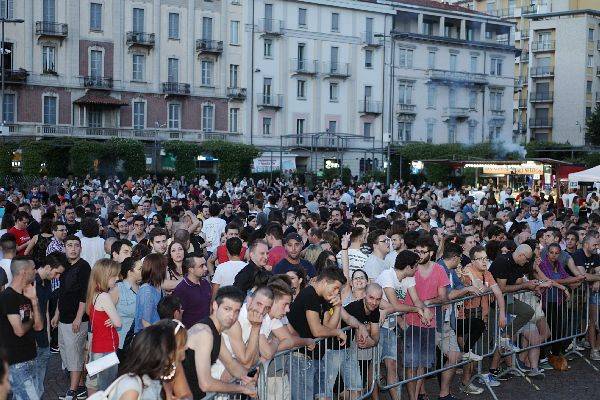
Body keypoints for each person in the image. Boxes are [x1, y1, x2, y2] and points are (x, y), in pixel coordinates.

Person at [183, 286, 258, 398]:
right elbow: (206, 384)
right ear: (215, 306)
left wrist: (250, 375)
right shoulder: (205, 333)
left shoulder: (216, 332)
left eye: (236, 311)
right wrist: (242, 388)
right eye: (227, 309)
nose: (232, 316)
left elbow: (230, 364)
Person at [286, 267, 349, 400]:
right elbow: (317, 330)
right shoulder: (310, 295)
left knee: (325, 397)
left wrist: (337, 308)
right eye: (336, 288)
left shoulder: (322, 298)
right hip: (300, 358)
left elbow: (327, 327)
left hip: (316, 357)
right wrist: (337, 332)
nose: (337, 292)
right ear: (325, 282)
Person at [51, 236, 91, 400]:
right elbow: (62, 292)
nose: (73, 248)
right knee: (68, 353)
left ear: (81, 248)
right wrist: (56, 314)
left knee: (75, 354)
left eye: (76, 245)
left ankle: (72, 391)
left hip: (78, 319)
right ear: (64, 248)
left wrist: (78, 317)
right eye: (69, 245)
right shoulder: (64, 266)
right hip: (63, 317)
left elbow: (84, 296)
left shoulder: (84, 267)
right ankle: (81, 388)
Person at [0, 256, 43, 400]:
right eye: (33, 269)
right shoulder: (8, 297)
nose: (35, 271)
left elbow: (39, 327)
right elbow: (19, 330)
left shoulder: (28, 294)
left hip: (31, 356)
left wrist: (34, 301)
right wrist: (31, 319)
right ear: (24, 272)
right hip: (16, 362)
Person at [107, 322, 182, 399]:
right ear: (158, 354)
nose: (182, 356)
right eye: (172, 351)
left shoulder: (152, 379)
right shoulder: (132, 386)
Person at [86, 259, 122, 394]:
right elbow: (118, 323)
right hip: (107, 347)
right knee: (106, 388)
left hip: (96, 346)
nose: (117, 278)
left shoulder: (93, 293)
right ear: (105, 276)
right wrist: (113, 320)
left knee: (93, 383)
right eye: (114, 276)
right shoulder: (105, 296)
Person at [33, 252, 66, 397]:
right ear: (47, 267)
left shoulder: (46, 283)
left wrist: (47, 334)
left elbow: (45, 309)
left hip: (43, 339)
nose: (57, 277)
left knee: (39, 381)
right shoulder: (31, 282)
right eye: (57, 273)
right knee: (29, 382)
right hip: (31, 339)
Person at [111, 257, 142, 350]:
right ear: (130, 272)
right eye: (140, 269)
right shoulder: (117, 288)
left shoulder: (143, 288)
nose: (144, 271)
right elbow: (106, 315)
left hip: (139, 343)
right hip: (120, 343)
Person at [173, 256, 211, 328]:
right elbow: (178, 317)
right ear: (191, 270)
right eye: (201, 266)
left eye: (205, 265)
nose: (205, 268)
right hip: (191, 334)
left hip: (207, 330)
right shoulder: (181, 290)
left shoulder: (205, 283)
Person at [134, 253, 166, 333]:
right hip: (148, 338)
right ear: (158, 269)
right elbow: (145, 322)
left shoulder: (158, 287)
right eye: (164, 266)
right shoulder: (146, 290)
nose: (166, 269)